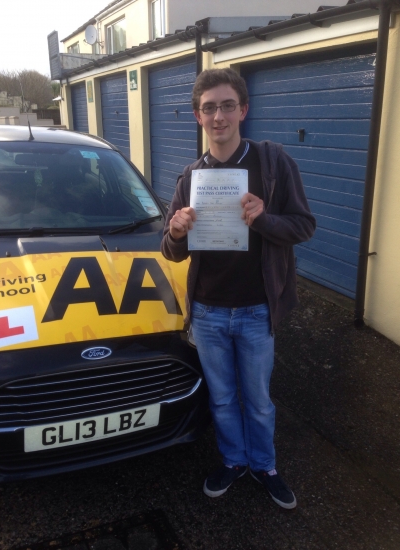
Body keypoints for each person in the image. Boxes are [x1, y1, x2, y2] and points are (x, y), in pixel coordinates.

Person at [161, 68, 316, 509]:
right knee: (224, 399)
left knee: (259, 400)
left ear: (243, 110)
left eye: (228, 105)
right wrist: (175, 231)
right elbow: (171, 251)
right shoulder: (190, 177)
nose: (219, 116)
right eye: (209, 108)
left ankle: (265, 465)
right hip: (208, 312)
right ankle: (233, 460)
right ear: (198, 116)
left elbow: (304, 226)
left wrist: (263, 218)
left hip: (255, 311)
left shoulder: (272, 163)